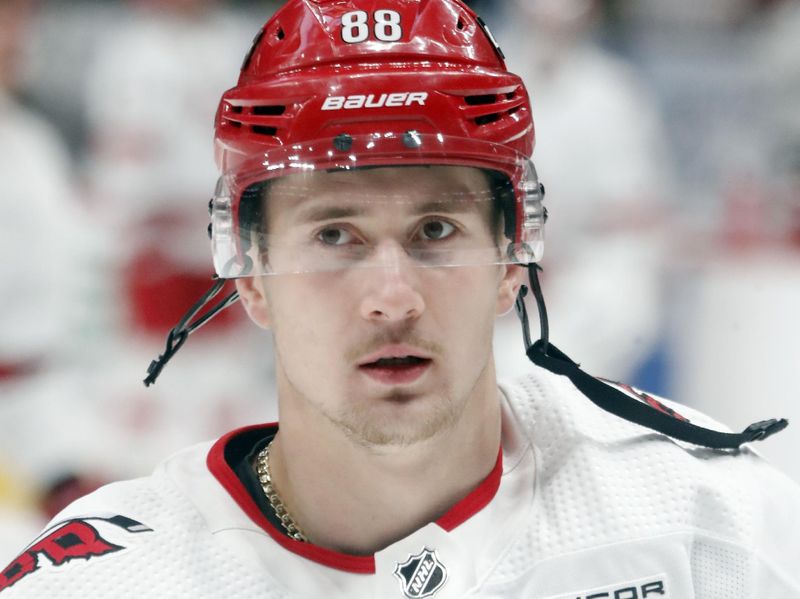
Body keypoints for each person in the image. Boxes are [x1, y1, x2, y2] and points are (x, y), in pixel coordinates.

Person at [2, 1, 799, 597]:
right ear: (247, 269)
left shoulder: (715, 522)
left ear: (513, 256)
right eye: (335, 236)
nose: (392, 298)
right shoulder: (108, 581)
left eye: (437, 230)